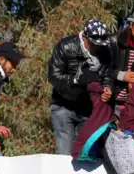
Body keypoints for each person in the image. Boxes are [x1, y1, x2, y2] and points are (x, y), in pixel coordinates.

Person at [47, 19, 114, 155]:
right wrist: (76, 80)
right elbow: (53, 76)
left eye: (101, 45)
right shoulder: (65, 46)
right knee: (64, 153)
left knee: (87, 153)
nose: (98, 48)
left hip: (88, 109)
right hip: (64, 106)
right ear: (84, 37)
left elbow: (108, 75)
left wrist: (107, 88)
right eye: (94, 44)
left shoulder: (105, 51)